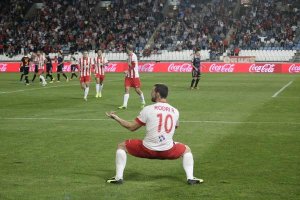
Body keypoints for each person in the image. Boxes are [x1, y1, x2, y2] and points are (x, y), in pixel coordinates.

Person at [106, 83, 203, 185]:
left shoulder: (148, 109)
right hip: (168, 150)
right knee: (186, 150)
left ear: (157, 94)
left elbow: (131, 127)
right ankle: (190, 178)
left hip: (147, 149)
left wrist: (116, 118)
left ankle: (118, 178)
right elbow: (176, 126)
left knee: (122, 146)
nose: (151, 93)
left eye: (152, 91)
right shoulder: (175, 111)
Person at [118, 45, 145, 109]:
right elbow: (128, 65)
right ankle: (124, 105)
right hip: (128, 77)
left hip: (135, 76)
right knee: (127, 89)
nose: (126, 51)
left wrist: (127, 70)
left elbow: (133, 66)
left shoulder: (134, 56)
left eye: (127, 50)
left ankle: (143, 101)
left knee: (137, 90)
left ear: (130, 50)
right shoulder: (129, 56)